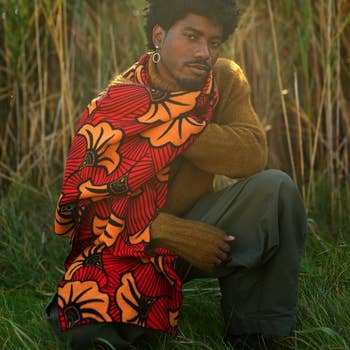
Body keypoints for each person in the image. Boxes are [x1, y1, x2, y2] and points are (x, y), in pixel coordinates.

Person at [46, 1, 307, 349]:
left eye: (214, 42)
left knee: (276, 190)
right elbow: (84, 214)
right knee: (84, 330)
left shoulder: (224, 81)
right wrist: (169, 232)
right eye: (192, 36)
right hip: (125, 242)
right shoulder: (114, 105)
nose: (204, 52)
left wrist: (172, 125)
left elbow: (252, 154)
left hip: (203, 223)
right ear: (158, 35)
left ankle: (258, 333)